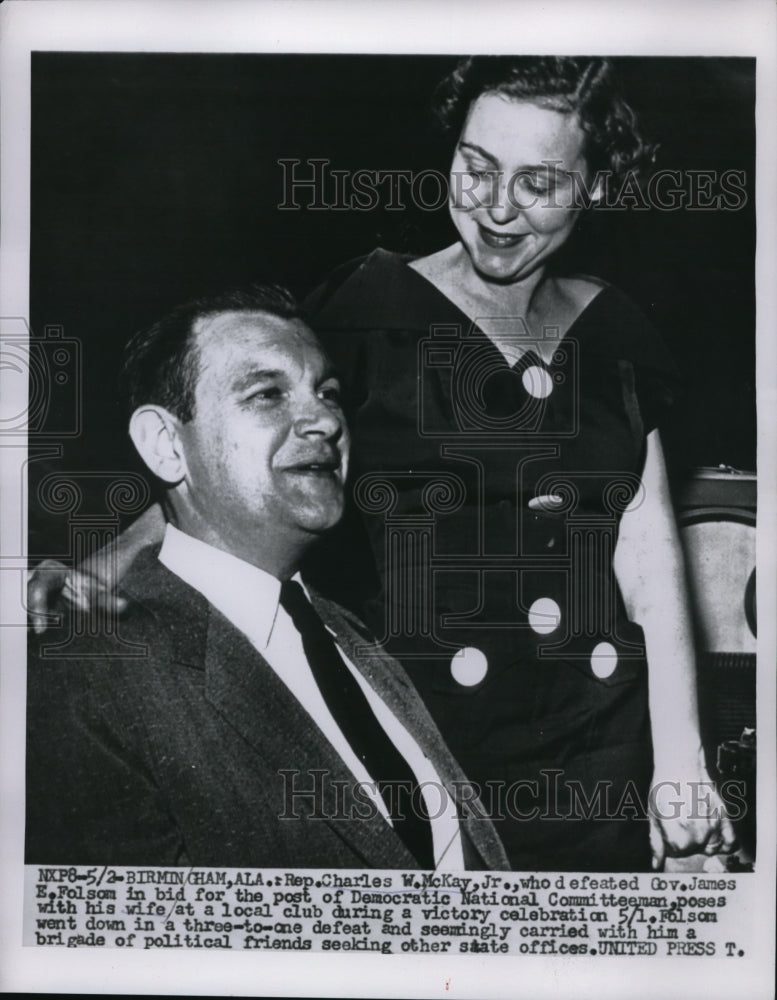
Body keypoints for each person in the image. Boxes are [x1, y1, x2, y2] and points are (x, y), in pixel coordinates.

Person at [28, 57, 736, 871]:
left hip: (602, 757)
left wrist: (681, 765)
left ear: (597, 186)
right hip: (436, 754)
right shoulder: (367, 310)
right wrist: (92, 573)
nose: (496, 207)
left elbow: (645, 547)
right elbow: (230, 466)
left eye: (537, 182)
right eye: (475, 168)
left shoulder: (617, 329)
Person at [25, 286, 509, 871]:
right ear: (165, 445)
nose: (326, 419)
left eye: (328, 392)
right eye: (267, 394)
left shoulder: (355, 639)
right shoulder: (88, 681)